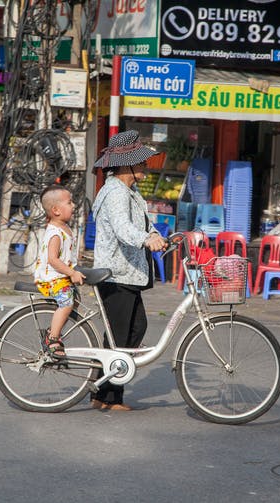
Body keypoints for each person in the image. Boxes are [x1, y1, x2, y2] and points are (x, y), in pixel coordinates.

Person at [90, 130, 168, 411]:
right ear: (127, 165)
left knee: (131, 330)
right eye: (141, 162)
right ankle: (109, 397)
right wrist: (147, 239)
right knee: (121, 335)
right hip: (115, 273)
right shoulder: (114, 192)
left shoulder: (129, 192)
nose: (146, 166)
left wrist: (157, 235)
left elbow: (143, 224)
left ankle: (101, 391)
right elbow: (124, 229)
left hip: (128, 273)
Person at [34, 184, 86, 357]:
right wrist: (72, 273)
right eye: (69, 202)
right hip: (51, 278)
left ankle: (52, 330)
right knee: (67, 302)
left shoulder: (65, 228)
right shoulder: (55, 233)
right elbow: (53, 259)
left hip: (61, 276)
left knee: (74, 300)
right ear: (55, 210)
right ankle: (52, 338)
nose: (73, 206)